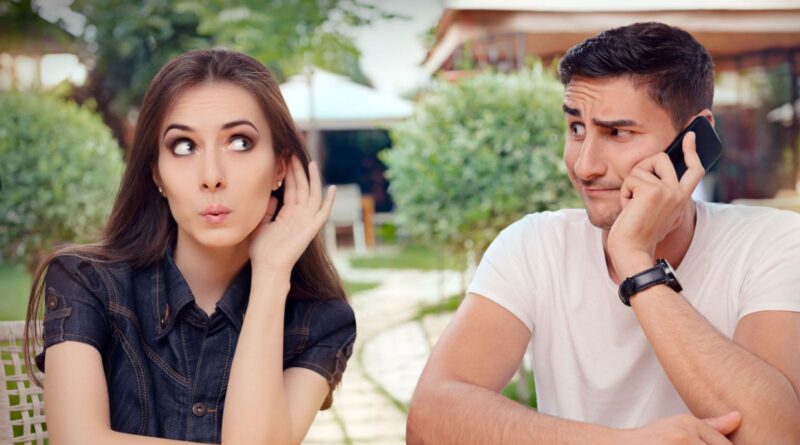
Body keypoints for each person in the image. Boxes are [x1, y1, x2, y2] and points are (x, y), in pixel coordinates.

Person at [408, 22, 800, 444]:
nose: (584, 165)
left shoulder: (775, 243)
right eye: (577, 129)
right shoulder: (534, 245)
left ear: (695, 137)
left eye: (617, 132)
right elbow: (429, 418)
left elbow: (773, 435)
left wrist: (636, 259)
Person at [23, 49, 356, 444]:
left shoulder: (321, 321)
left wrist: (271, 274)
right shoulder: (86, 282)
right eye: (184, 146)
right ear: (156, 173)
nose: (211, 176)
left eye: (240, 142)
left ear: (280, 167)